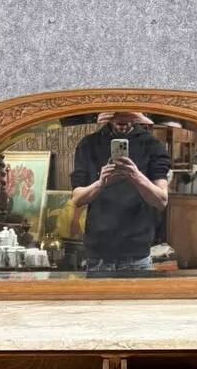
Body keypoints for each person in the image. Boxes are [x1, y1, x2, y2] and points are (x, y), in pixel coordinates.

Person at [70, 112, 171, 272]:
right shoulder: (89, 144)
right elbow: (77, 199)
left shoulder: (152, 145)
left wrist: (136, 176)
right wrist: (100, 183)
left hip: (137, 253)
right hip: (98, 255)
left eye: (127, 116)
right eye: (117, 116)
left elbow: (161, 201)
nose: (122, 122)